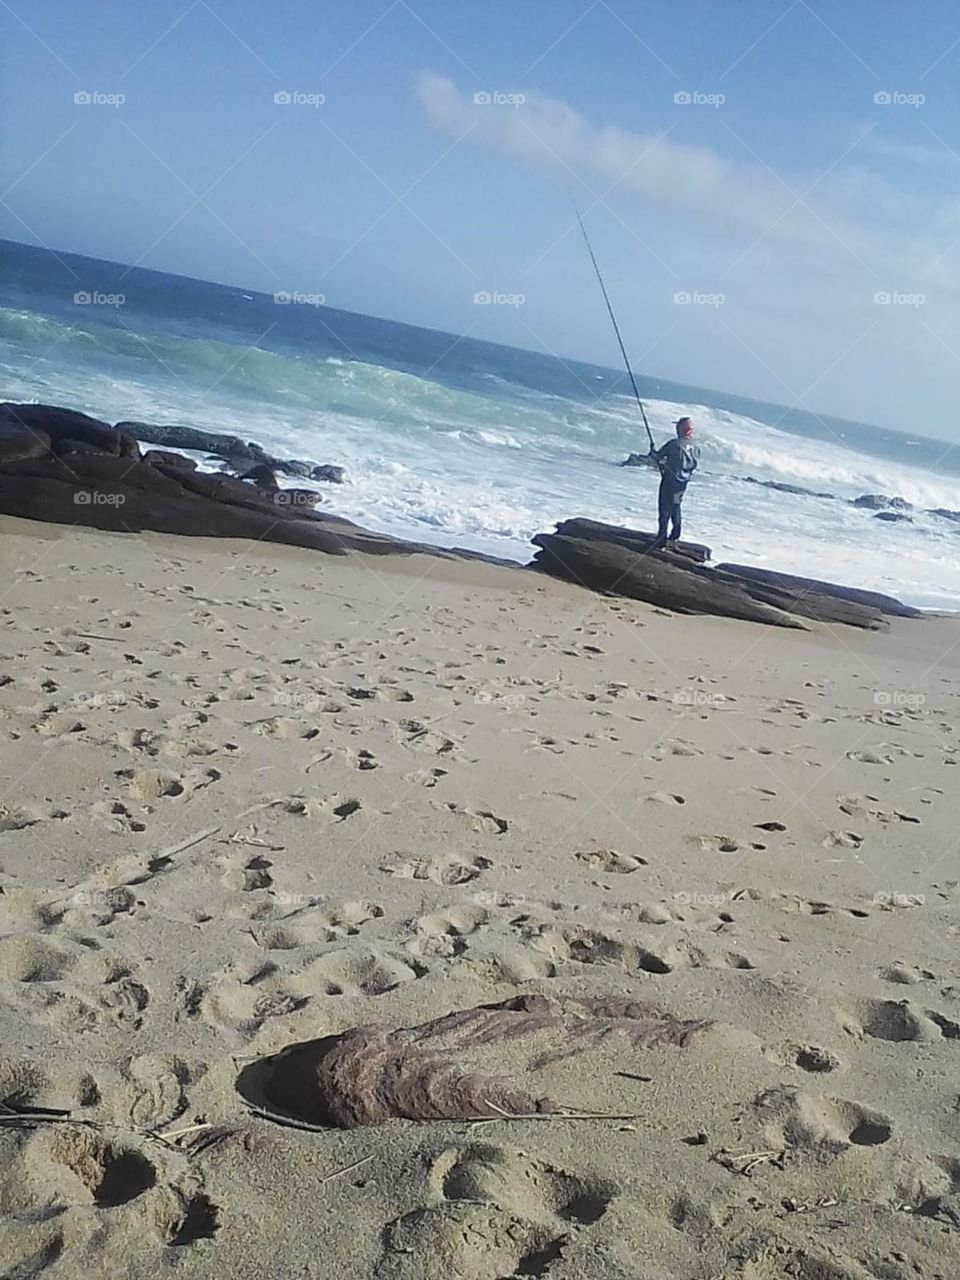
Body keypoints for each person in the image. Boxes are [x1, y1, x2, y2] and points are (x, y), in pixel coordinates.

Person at [650, 417, 699, 549]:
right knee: (676, 506)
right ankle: (675, 535)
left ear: (681, 429)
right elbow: (693, 464)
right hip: (682, 484)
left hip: (669, 482)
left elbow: (658, 457)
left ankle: (661, 538)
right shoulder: (695, 447)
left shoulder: (674, 444)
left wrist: (653, 452)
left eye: (678, 426)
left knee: (664, 508)